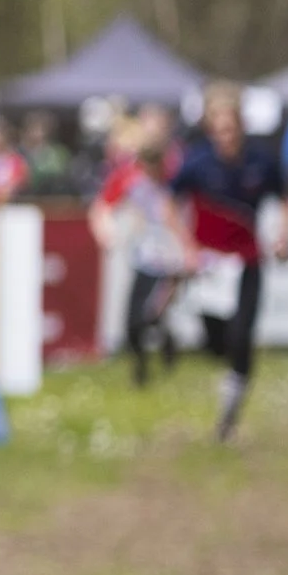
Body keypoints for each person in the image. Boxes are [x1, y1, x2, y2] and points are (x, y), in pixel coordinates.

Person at [168, 85, 288, 441]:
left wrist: (284, 235)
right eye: (219, 130)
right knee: (214, 342)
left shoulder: (261, 159)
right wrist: (187, 246)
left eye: (231, 128)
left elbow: (286, 198)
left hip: (249, 260)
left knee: (242, 335)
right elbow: (168, 203)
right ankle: (226, 374)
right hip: (210, 267)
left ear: (241, 125)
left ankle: (230, 411)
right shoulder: (195, 162)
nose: (226, 137)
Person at [90, 109, 186, 385]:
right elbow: (103, 205)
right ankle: (142, 366)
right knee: (133, 321)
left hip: (170, 259)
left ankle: (165, 343)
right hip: (143, 257)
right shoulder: (129, 177)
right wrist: (106, 233)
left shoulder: (177, 176)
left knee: (152, 314)